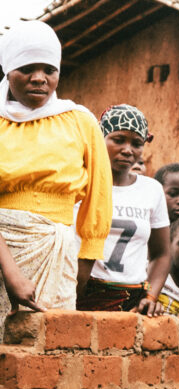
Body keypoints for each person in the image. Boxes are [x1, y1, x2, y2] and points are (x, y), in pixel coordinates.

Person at [0, 20, 112, 322]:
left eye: (49, 70)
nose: (39, 78)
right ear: (7, 69)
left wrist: (84, 263)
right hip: (2, 251)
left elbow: (99, 195)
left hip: (58, 251)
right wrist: (11, 274)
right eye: (26, 68)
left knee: (46, 350)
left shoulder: (80, 121)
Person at [77, 104, 170, 313]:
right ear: (100, 138)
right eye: (118, 140)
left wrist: (150, 296)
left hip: (132, 302)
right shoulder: (80, 183)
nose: (128, 150)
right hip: (80, 293)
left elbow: (162, 254)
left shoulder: (151, 190)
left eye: (137, 143)